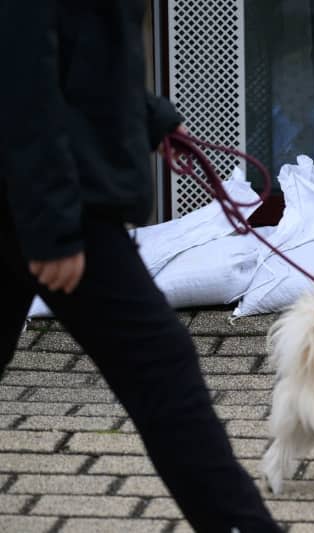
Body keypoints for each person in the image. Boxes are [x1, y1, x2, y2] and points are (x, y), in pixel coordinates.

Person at [0, 3, 282, 532]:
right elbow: (18, 77)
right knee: (161, 367)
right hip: (52, 193)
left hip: (40, 185)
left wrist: (146, 114)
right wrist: (53, 228)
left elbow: (79, 47)